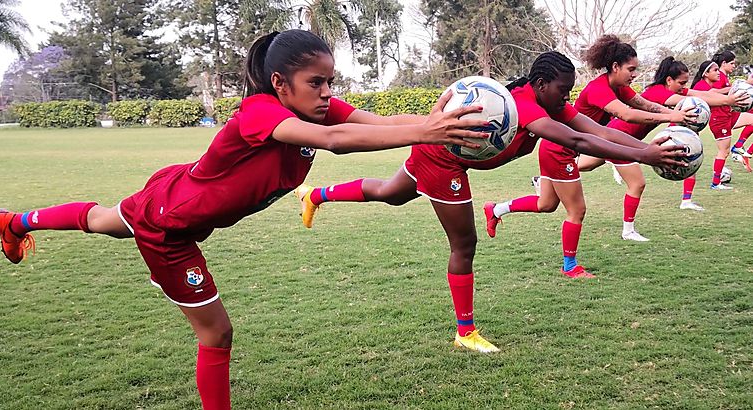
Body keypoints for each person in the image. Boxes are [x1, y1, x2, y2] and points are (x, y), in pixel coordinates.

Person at [0, 30, 490, 410]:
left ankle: (16, 222)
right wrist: (427, 131)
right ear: (279, 83)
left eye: (330, 81)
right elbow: (338, 142)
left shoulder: (317, 107)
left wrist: (436, 119)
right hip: (171, 228)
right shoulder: (259, 112)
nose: (325, 92)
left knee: (99, 219)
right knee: (217, 334)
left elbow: (377, 123)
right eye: (315, 82)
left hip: (175, 191)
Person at [294, 51, 687, 353]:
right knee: (465, 244)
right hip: (442, 160)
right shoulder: (526, 106)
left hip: (445, 156)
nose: (565, 98)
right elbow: (579, 142)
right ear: (538, 83)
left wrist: (644, 147)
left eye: (568, 91)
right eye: (561, 90)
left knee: (389, 194)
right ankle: (466, 332)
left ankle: (315, 194)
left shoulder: (550, 102)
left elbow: (596, 129)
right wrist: (645, 156)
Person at [485, 38, 696, 282]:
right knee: (578, 209)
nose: (635, 75)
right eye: (631, 69)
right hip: (560, 148)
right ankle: (570, 266)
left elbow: (607, 130)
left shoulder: (615, 89)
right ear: (615, 66)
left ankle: (497, 209)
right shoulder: (597, 89)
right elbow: (610, 124)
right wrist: (645, 152)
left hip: (568, 146)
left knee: (547, 204)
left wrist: (649, 145)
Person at [577, 57, 746, 215]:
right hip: (620, 137)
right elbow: (632, 114)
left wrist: (727, 98)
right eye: (681, 83)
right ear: (669, 80)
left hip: (623, 138)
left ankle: (556, 168)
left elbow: (701, 95)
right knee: (637, 184)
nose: (683, 87)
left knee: (580, 166)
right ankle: (628, 231)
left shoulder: (667, 90)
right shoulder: (658, 92)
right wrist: (726, 101)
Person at [695, 51, 753, 189]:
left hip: (729, 115)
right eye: (732, 63)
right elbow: (711, 93)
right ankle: (716, 183)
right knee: (723, 151)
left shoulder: (724, 77)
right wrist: (745, 83)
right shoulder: (719, 76)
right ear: (724, 63)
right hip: (719, 119)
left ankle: (738, 147)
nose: (734, 66)